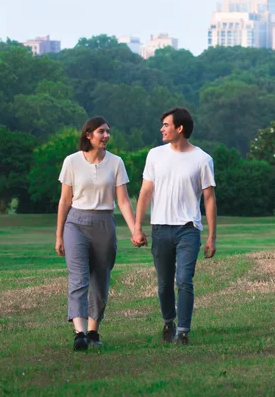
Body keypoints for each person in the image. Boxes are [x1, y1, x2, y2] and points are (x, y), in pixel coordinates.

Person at [55, 116, 141, 352]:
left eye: (108, 132)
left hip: (104, 223)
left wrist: (135, 229)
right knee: (78, 279)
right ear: (88, 135)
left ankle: (93, 330)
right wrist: (59, 235)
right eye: (101, 132)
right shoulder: (71, 162)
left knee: (100, 281)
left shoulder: (116, 163)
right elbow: (64, 200)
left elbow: (123, 201)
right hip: (76, 223)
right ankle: (79, 333)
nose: (106, 136)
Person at [133, 107, 216, 345]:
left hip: (188, 228)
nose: (162, 129)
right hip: (160, 228)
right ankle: (168, 321)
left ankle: (183, 331)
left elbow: (209, 198)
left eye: (166, 125)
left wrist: (212, 236)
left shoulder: (202, 159)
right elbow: (145, 191)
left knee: (184, 280)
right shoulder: (155, 155)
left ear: (180, 128)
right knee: (163, 284)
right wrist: (137, 227)